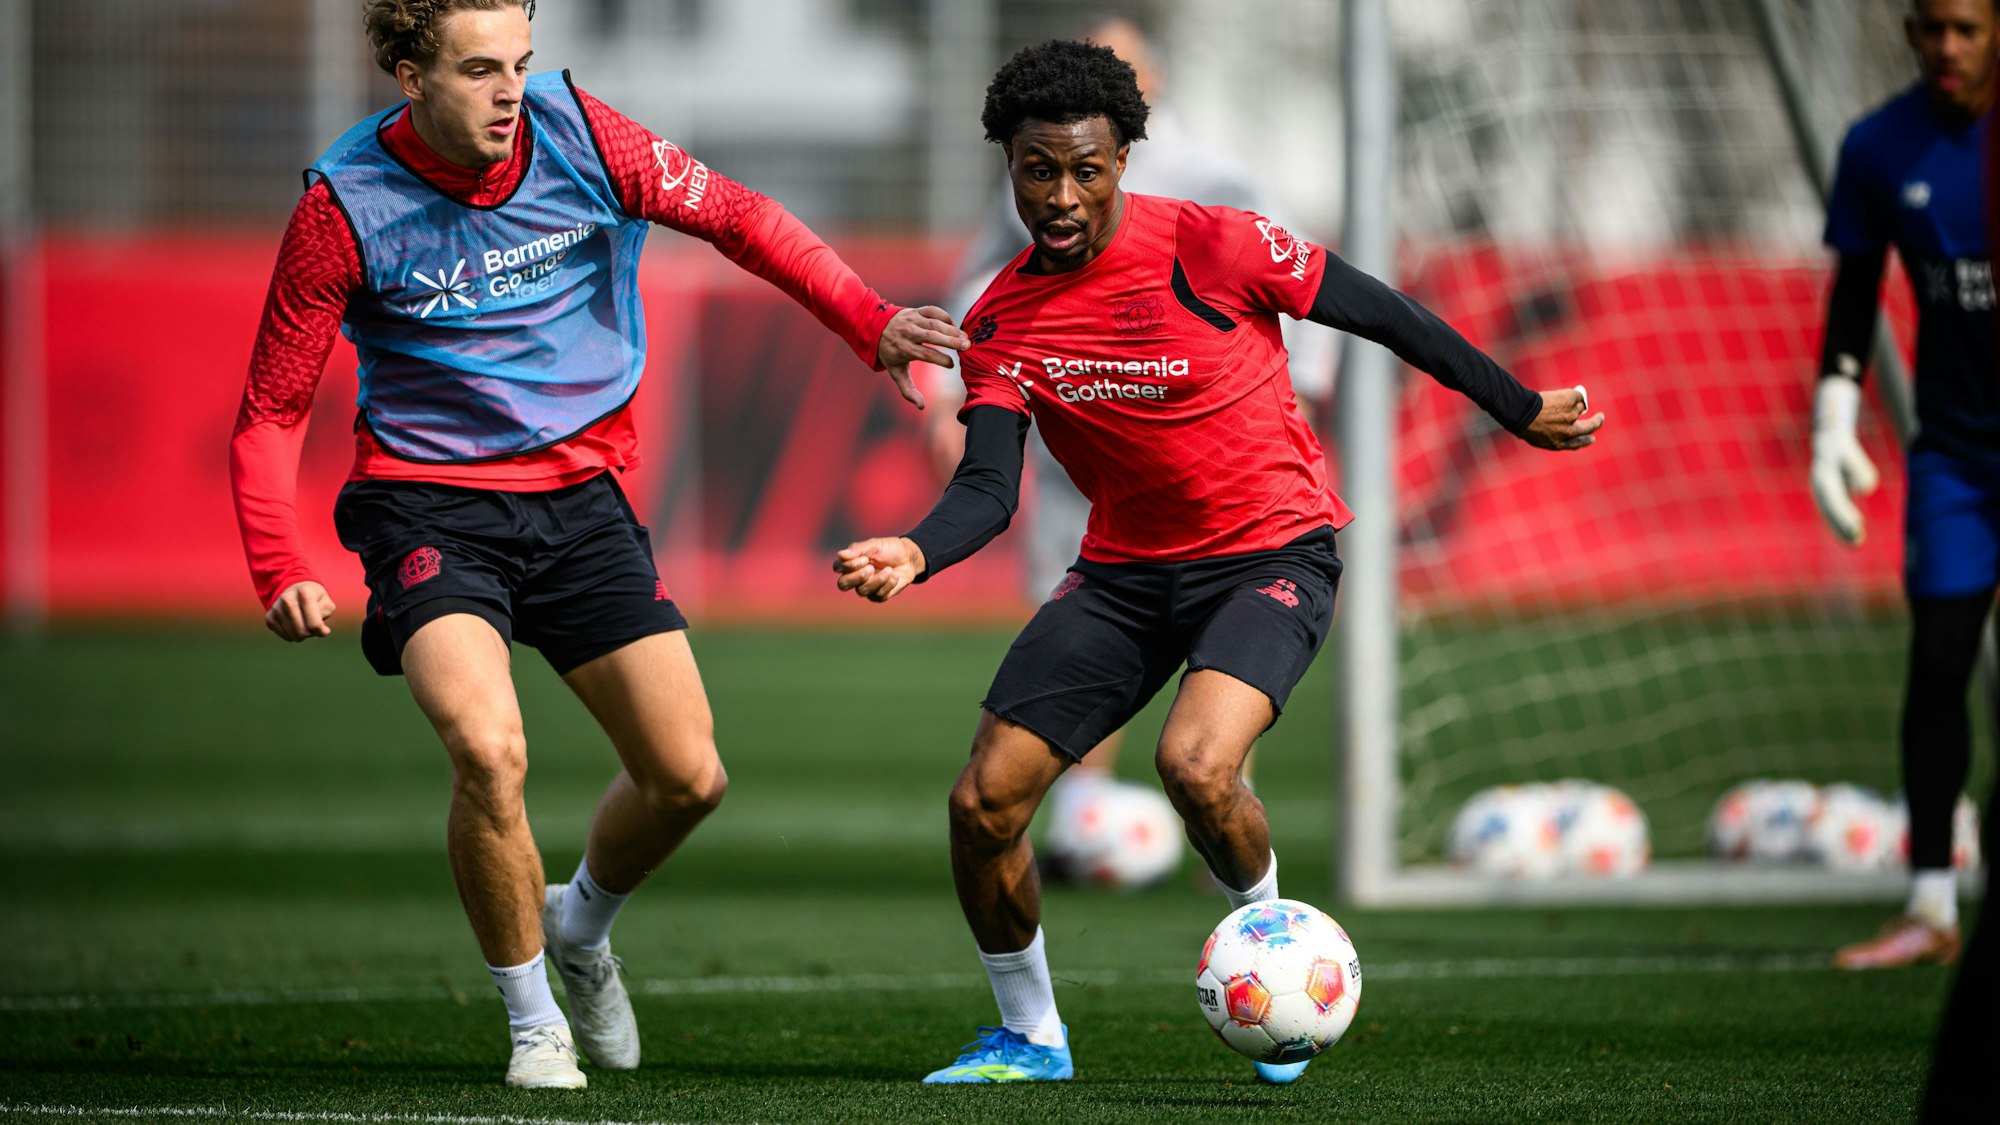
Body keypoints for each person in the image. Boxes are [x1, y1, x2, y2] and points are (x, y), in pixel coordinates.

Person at [832, 39, 1601, 1085]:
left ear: (1121, 161)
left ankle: (1272, 945)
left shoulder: (1218, 245)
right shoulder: (1001, 319)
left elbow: (1383, 312)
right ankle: (1030, 1035)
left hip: (1269, 553)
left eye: (1086, 169)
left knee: (1194, 766)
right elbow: (989, 489)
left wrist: (1515, 406)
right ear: (1006, 164)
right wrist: (916, 550)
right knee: (984, 806)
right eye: (1035, 169)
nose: (1060, 196)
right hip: (1120, 575)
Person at [229, 0, 966, 1089]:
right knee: (488, 751)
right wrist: (278, 562)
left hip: (581, 502)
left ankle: (579, 928)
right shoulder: (343, 207)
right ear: (404, 73)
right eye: (479, 70)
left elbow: (741, 219)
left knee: (687, 778)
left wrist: (868, 320)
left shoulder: (585, 133)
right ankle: (533, 1022)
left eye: (519, 63)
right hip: (428, 510)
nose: (509, 90)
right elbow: (270, 411)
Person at [922, 17, 1337, 862]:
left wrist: (1307, 387)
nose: (1062, 194)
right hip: (1086, 446)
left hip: (1214, 460)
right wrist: (945, 396)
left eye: (1128, 65)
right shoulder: (1043, 170)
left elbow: (1300, 274)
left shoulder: (1214, 182)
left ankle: (1224, 806)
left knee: (1203, 744)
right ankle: (1087, 819)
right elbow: (984, 288)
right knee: (1067, 632)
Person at [1815, 0, 1995, 971]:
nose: (1947, 48)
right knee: (1936, 662)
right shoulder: (1880, 145)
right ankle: (1928, 907)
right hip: (1954, 461)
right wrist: (1829, 420)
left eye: (1966, 28)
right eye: (1929, 28)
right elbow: (1851, 295)